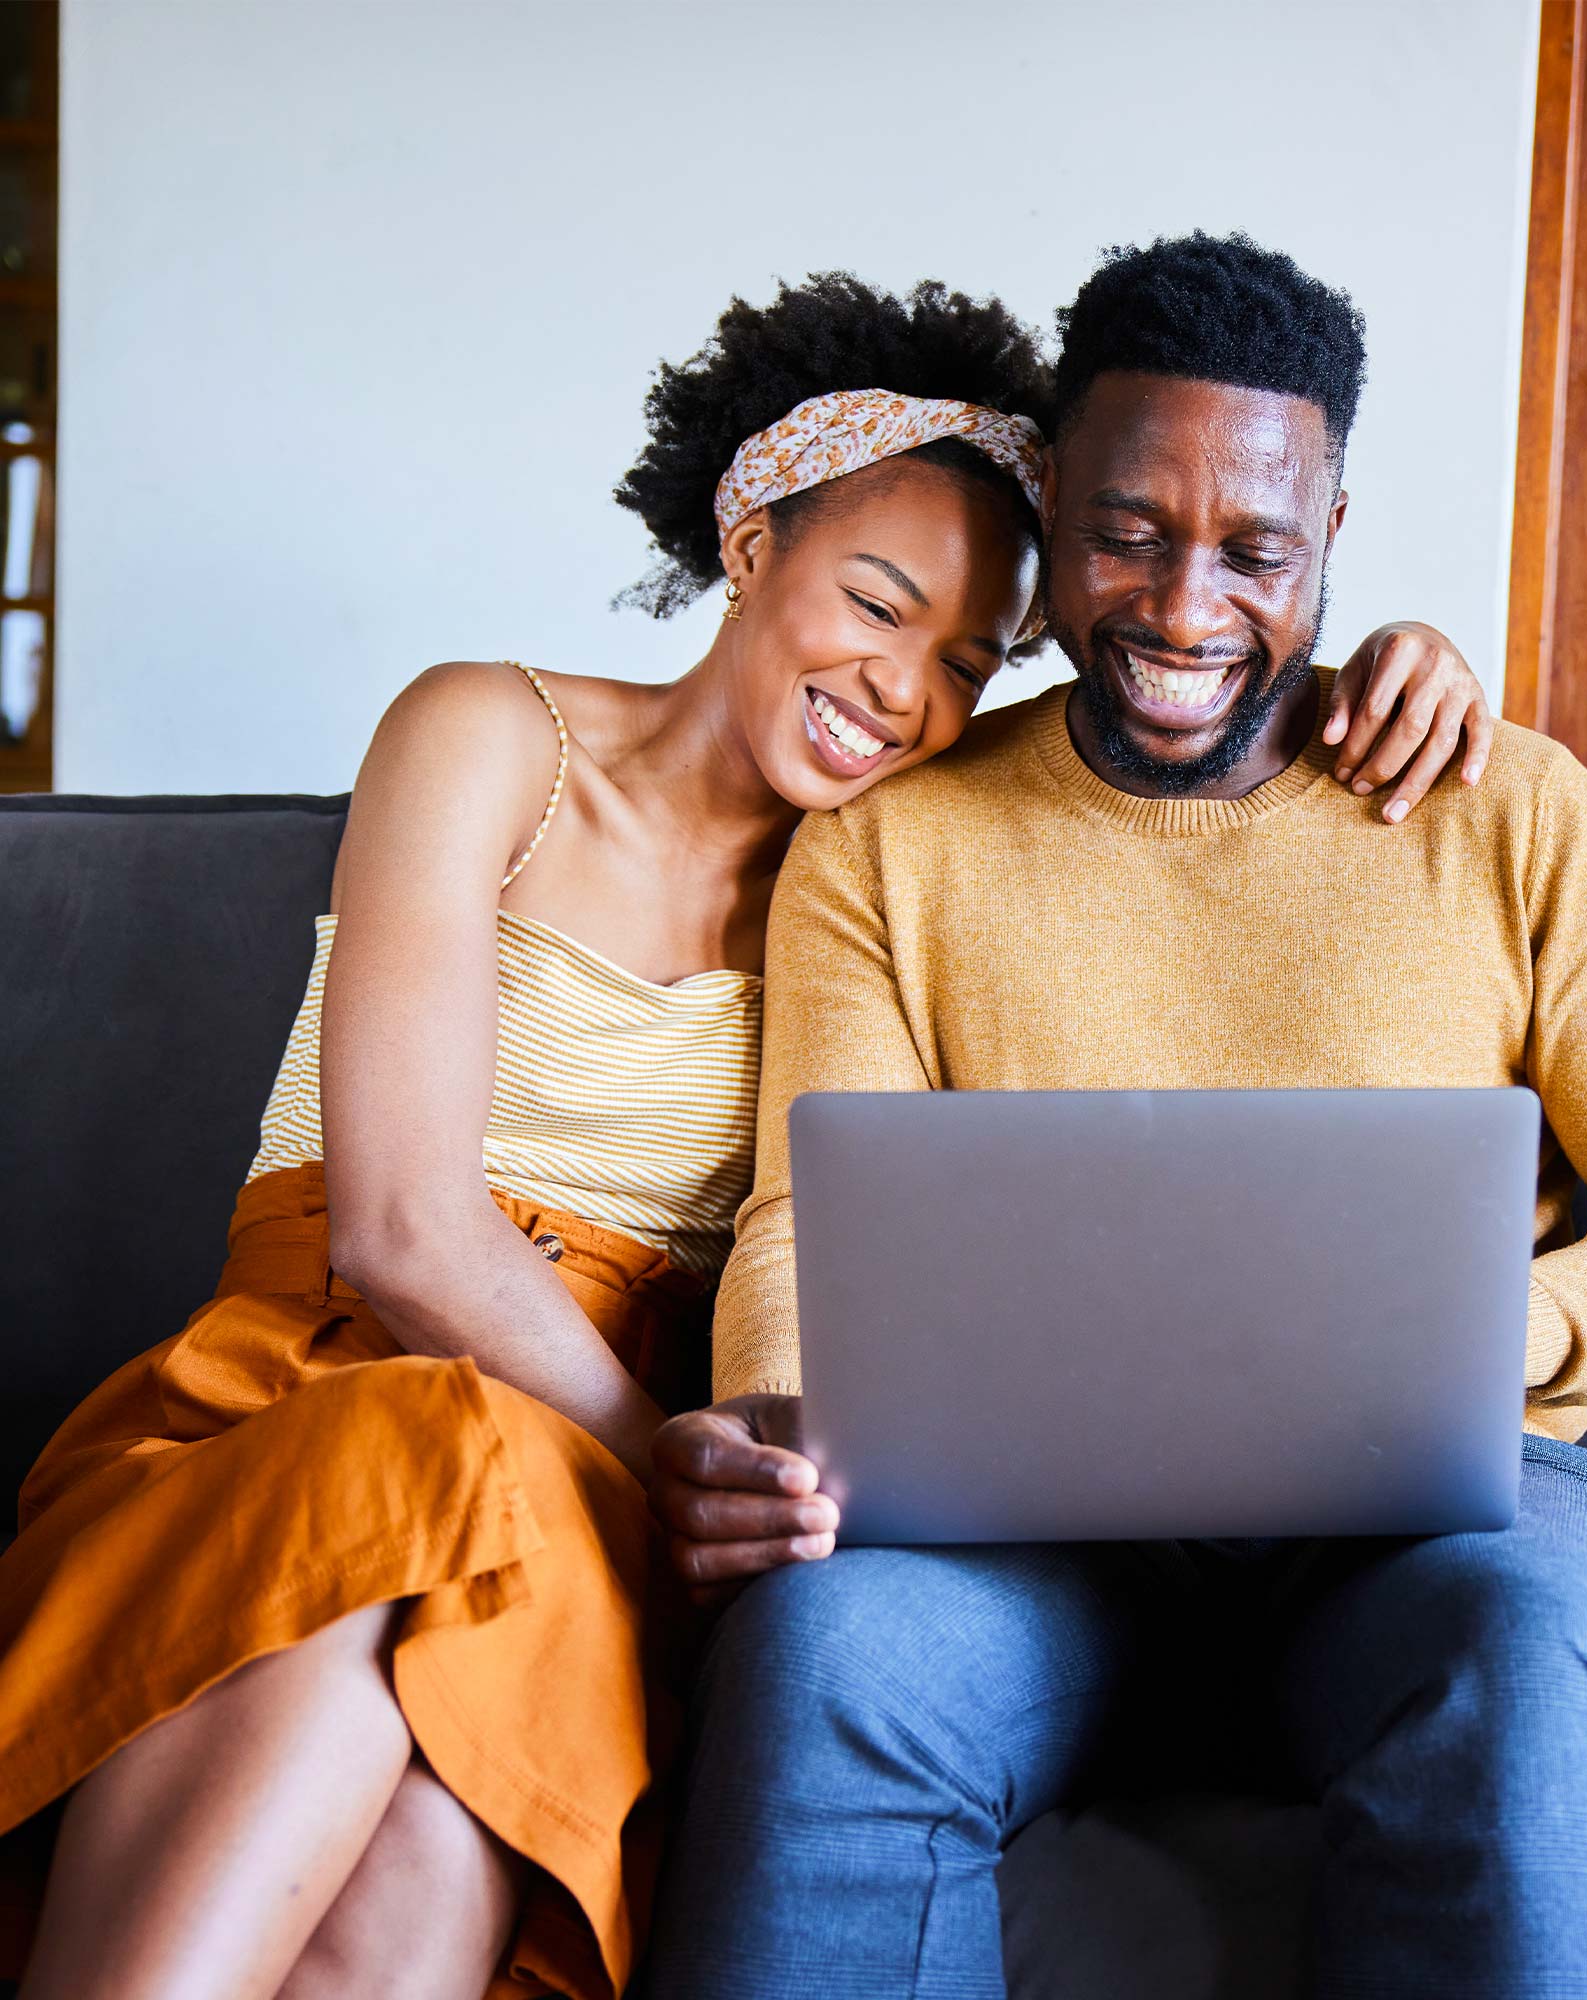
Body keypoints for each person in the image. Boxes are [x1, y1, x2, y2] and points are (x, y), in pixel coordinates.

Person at [0, 270, 1490, 2000]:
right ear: (750, 538)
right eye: (875, 602)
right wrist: (672, 1466)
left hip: (581, 1504)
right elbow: (397, 1230)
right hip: (320, 1404)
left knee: (424, 1853)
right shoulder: (490, 734)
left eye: (965, 662)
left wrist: (1380, 671)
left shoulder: (887, 876)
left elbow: (1174, 735)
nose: (902, 690)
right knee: (401, 1509)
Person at [647, 234, 1587, 2000]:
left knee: (1533, 1640)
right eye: (1127, 534)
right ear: (1053, 510)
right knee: (825, 1658)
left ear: (1329, 537)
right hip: (1019, 1555)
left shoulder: (1512, 811)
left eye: (1255, 551)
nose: (1186, 611)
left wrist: (1483, 1336)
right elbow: (813, 1216)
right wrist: (792, 1427)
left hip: (1436, 1537)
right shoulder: (889, 843)